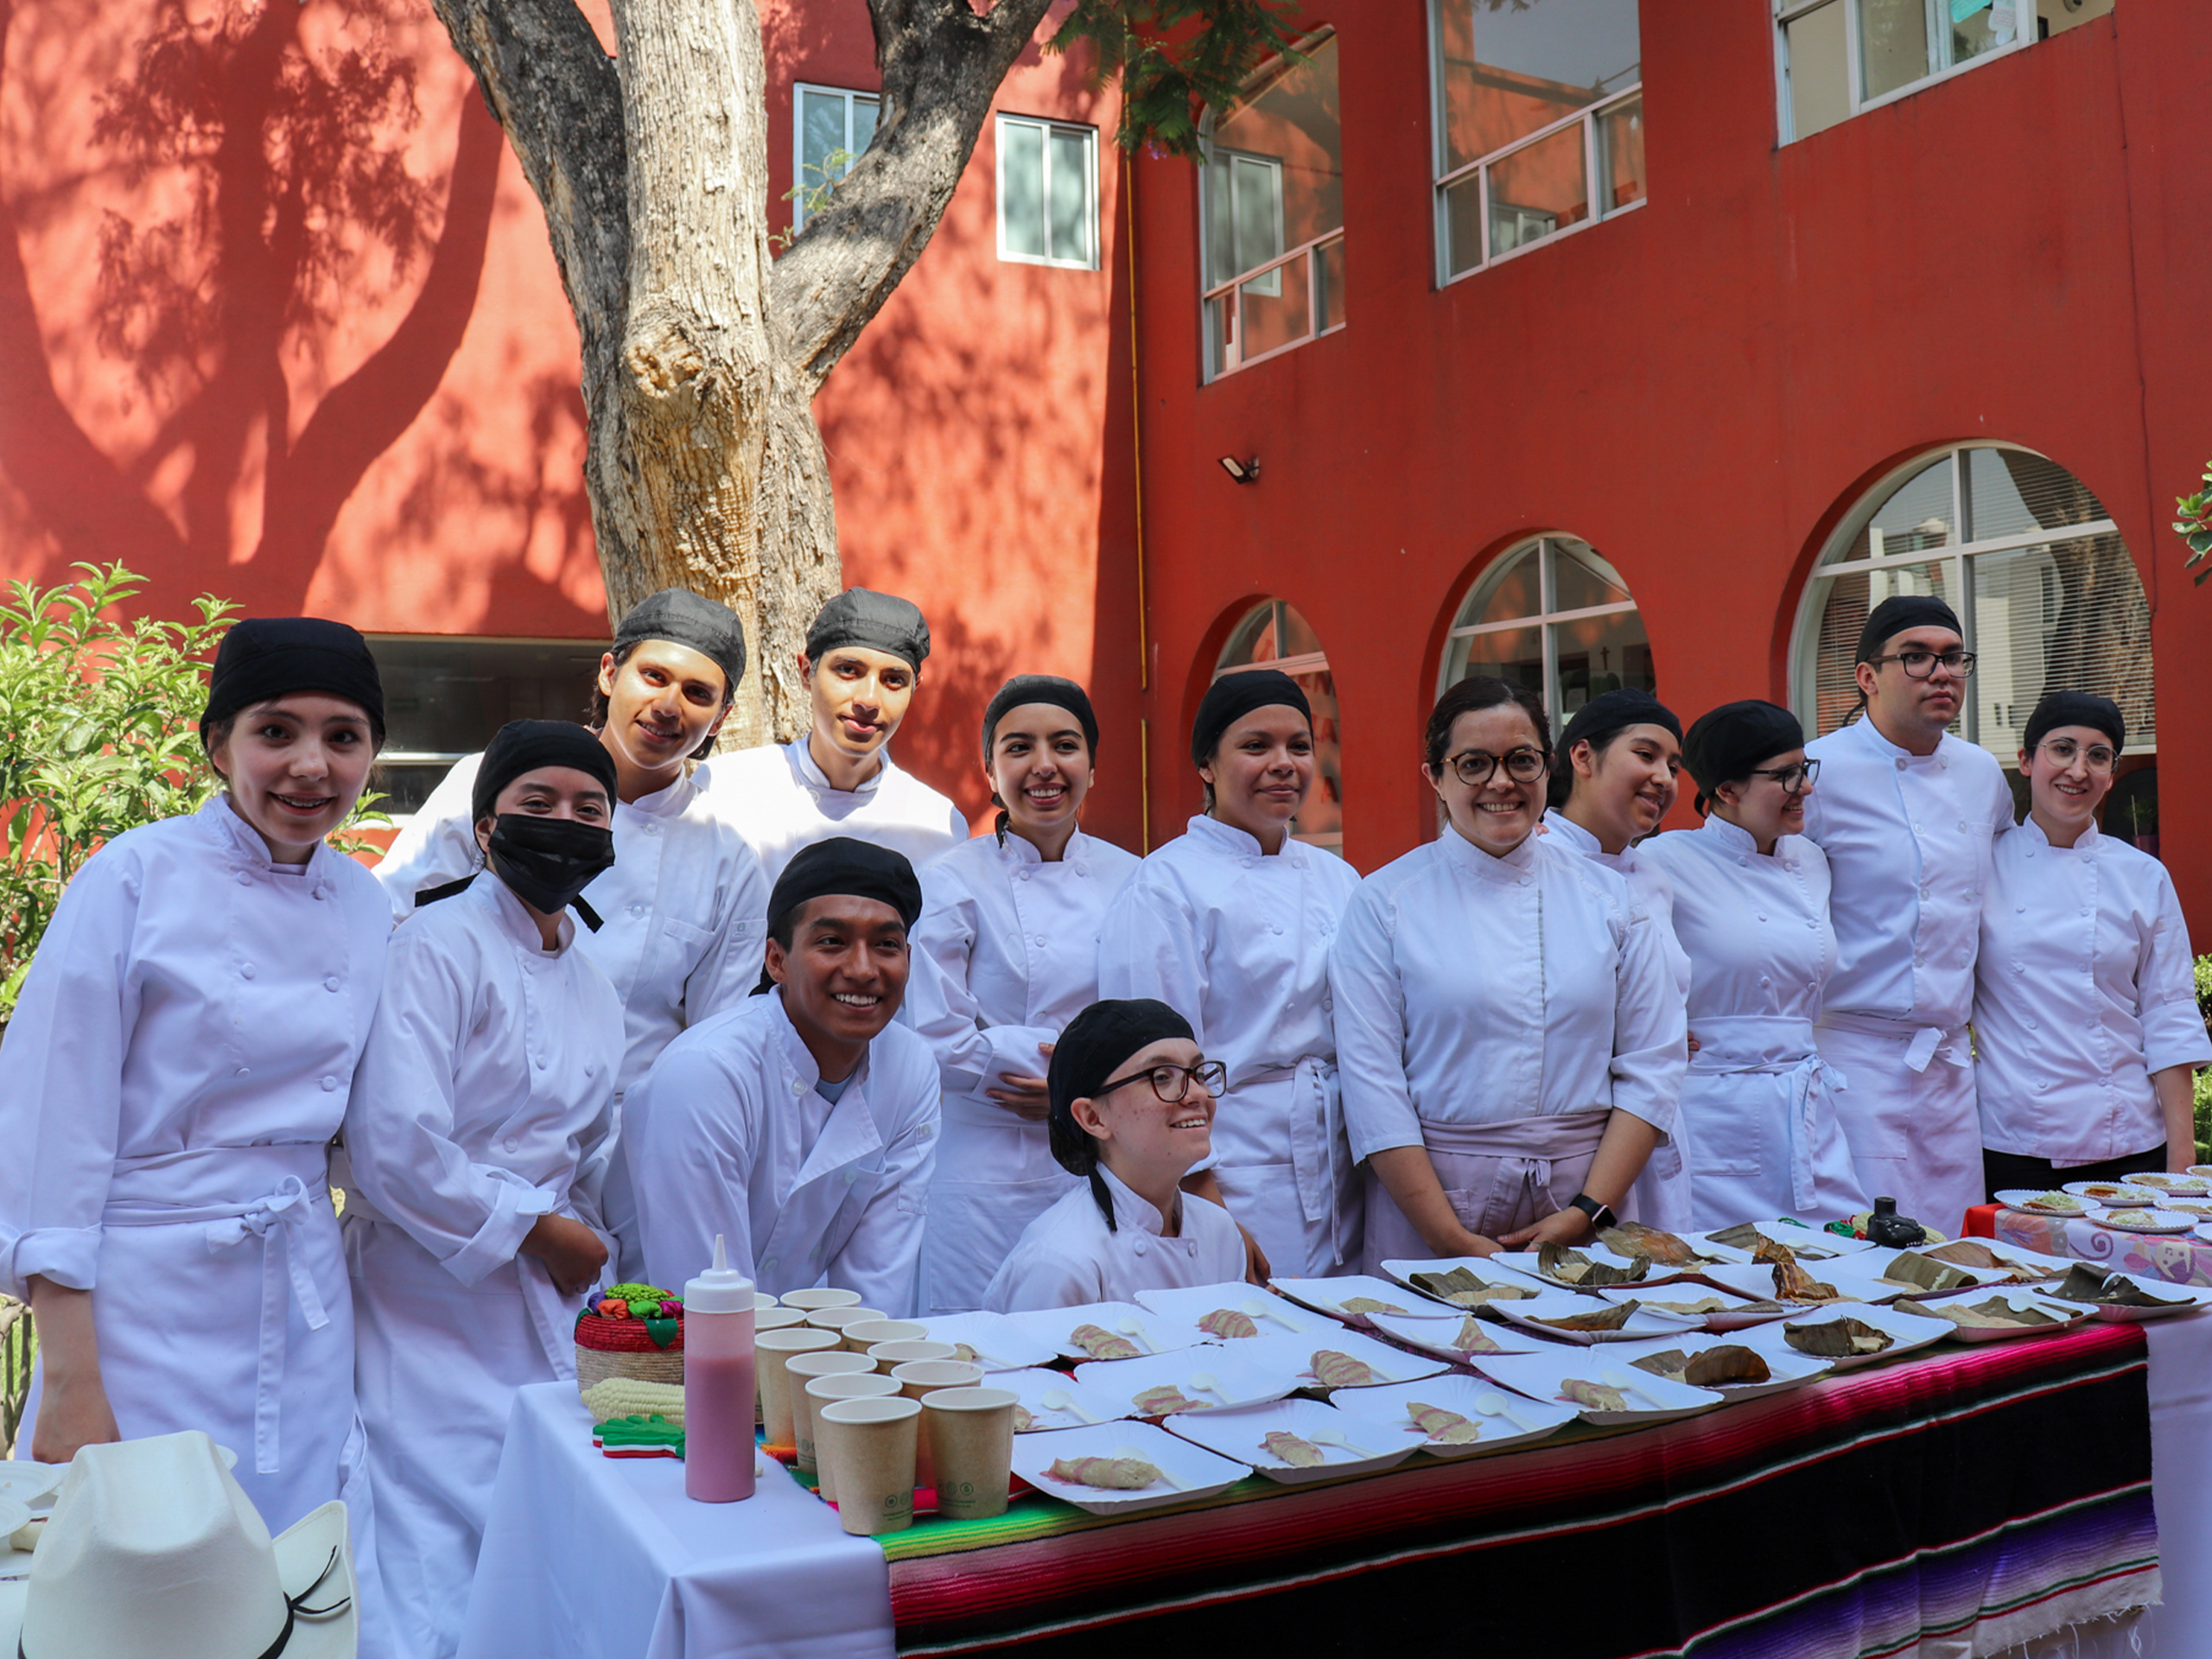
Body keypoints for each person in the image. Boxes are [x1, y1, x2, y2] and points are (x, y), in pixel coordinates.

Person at [0, 619, 397, 1650]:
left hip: (298, 1293)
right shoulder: (133, 880)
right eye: (278, 731)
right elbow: (52, 1128)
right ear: (219, 746)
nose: (312, 766)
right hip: (138, 1308)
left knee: (285, 1575)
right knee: (132, 1594)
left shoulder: (364, 902)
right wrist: (73, 1379)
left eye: (344, 736)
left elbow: (370, 1116)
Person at [371, 588, 768, 1279]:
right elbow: (394, 922)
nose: (671, 706)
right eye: (655, 676)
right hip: (460, 1127)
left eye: (699, 693)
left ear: (723, 715)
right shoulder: (489, 781)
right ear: (610, 674)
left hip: (621, 1147)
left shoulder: (730, 858)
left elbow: (715, 1037)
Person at [339, 720, 625, 1659]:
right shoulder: (435, 942)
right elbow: (395, 1144)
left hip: (541, 1300)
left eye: (590, 809)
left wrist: (570, 1243)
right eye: (538, 805)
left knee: (524, 1514)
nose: (566, 826)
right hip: (422, 1285)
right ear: (486, 826)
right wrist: (537, 1231)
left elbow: (588, 1148)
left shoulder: (592, 978)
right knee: (427, 1523)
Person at [1331, 676, 1685, 1267]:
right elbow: (1373, 1085)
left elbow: (1653, 1066)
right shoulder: (1386, 901)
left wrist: (1586, 1210)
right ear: (1435, 778)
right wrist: (1444, 1235)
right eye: (1473, 764)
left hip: (1589, 1202)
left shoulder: (1613, 900)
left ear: (1548, 769)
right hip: (1430, 1203)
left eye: (1521, 760)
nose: (1501, 782)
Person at [1097, 669, 1363, 1279]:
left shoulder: (1338, 880)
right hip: (1232, 1166)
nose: (1283, 763)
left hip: (1337, 1160)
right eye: (1255, 746)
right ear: (1207, 766)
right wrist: (1207, 1202)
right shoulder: (1165, 887)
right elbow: (1150, 1065)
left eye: (1299, 745)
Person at [627, 837, 940, 1315]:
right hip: (654, 1345)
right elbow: (705, 1296)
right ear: (776, 961)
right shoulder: (707, 1073)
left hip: (799, 1352)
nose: (862, 969)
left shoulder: (910, 1069)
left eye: (886, 945)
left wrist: (859, 1378)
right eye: (832, 942)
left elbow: (878, 1288)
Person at [908, 677, 1140, 1312]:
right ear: (989, 769)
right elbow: (937, 1040)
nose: (1044, 766)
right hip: (981, 1165)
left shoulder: (1136, 879)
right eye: (1018, 748)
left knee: (1093, 1344)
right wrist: (1065, 1076)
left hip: (1104, 1155)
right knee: (974, 1353)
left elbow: (1150, 1022)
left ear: (1092, 766)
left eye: (1065, 745)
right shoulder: (950, 880)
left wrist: (1079, 1095)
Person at [1802, 594, 2014, 1233]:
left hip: (1950, 1064)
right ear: (1867, 676)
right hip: (1852, 1057)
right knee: (1863, 1253)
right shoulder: (1815, 772)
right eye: (1916, 658)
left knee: (1955, 1254)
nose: (1940, 673)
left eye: (1952, 658)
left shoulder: (1982, 773)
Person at [1641, 701, 1867, 1229]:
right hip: (1713, 1114)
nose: (1805, 787)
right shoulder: (1663, 861)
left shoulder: (1810, 862)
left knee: (1840, 1261)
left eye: (1804, 769)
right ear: (1726, 790)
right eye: (1786, 775)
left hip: (1807, 1110)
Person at [1974, 691, 2209, 1193]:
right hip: (2013, 1143)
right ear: (2025, 760)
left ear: (2110, 771)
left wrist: (2181, 1157)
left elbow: (2168, 1016)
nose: (2078, 770)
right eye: (2062, 749)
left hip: (2129, 1139)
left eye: (2097, 756)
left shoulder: (2143, 876)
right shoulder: (1981, 867)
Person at [1541, 687, 1696, 1232]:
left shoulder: (1651, 876)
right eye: (1646, 755)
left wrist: (1671, 1030)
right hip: (1576, 1143)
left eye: (1674, 766)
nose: (1665, 779)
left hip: (1654, 1120)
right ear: (1582, 757)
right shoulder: (1533, 862)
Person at [984, 1000, 1247, 1312]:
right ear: (1093, 1118)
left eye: (1198, 1074)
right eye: (1162, 1077)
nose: (1198, 1094)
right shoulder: (1060, 1261)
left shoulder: (1219, 1231)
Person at [700, 588, 968, 886]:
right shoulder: (728, 790)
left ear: (914, 689)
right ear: (805, 672)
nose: (868, 700)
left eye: (893, 680)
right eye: (848, 671)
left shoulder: (937, 825)